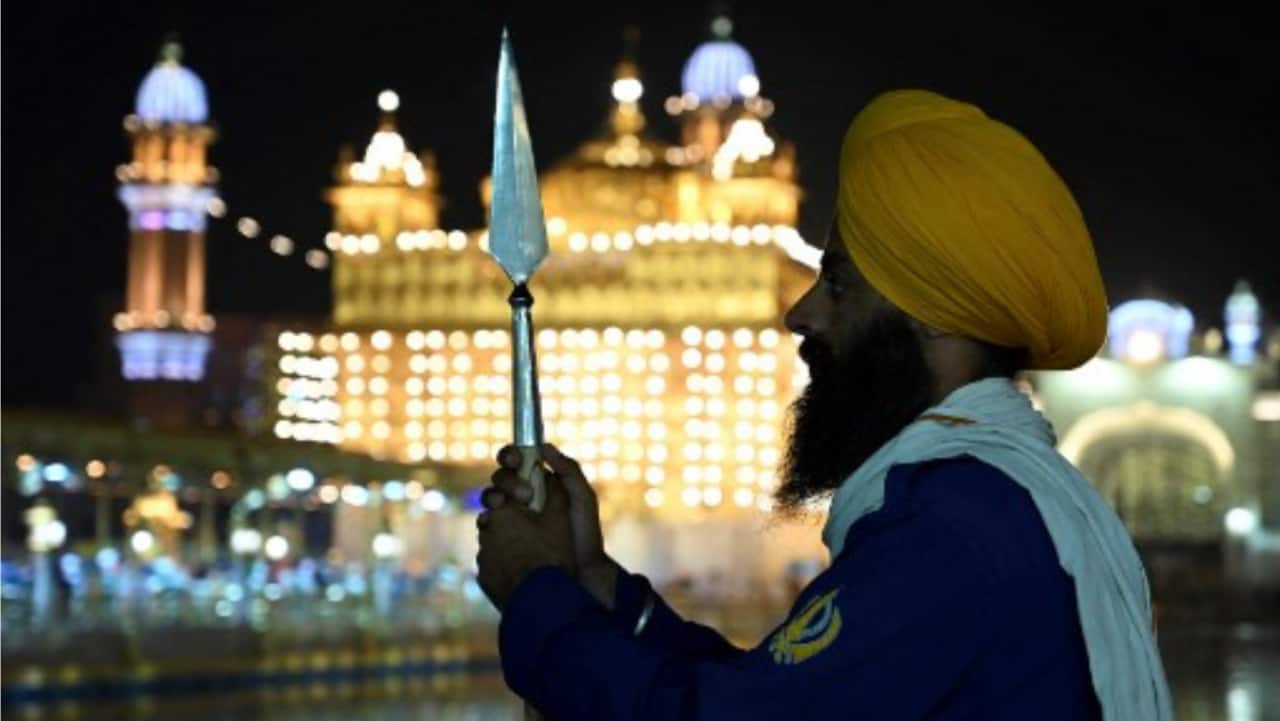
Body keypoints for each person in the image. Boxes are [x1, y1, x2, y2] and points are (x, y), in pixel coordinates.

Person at [475, 89, 1174, 720]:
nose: (801, 315)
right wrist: (598, 585)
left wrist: (537, 593)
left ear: (931, 312)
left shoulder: (955, 525)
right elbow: (774, 694)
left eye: (838, 286)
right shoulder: (994, 500)